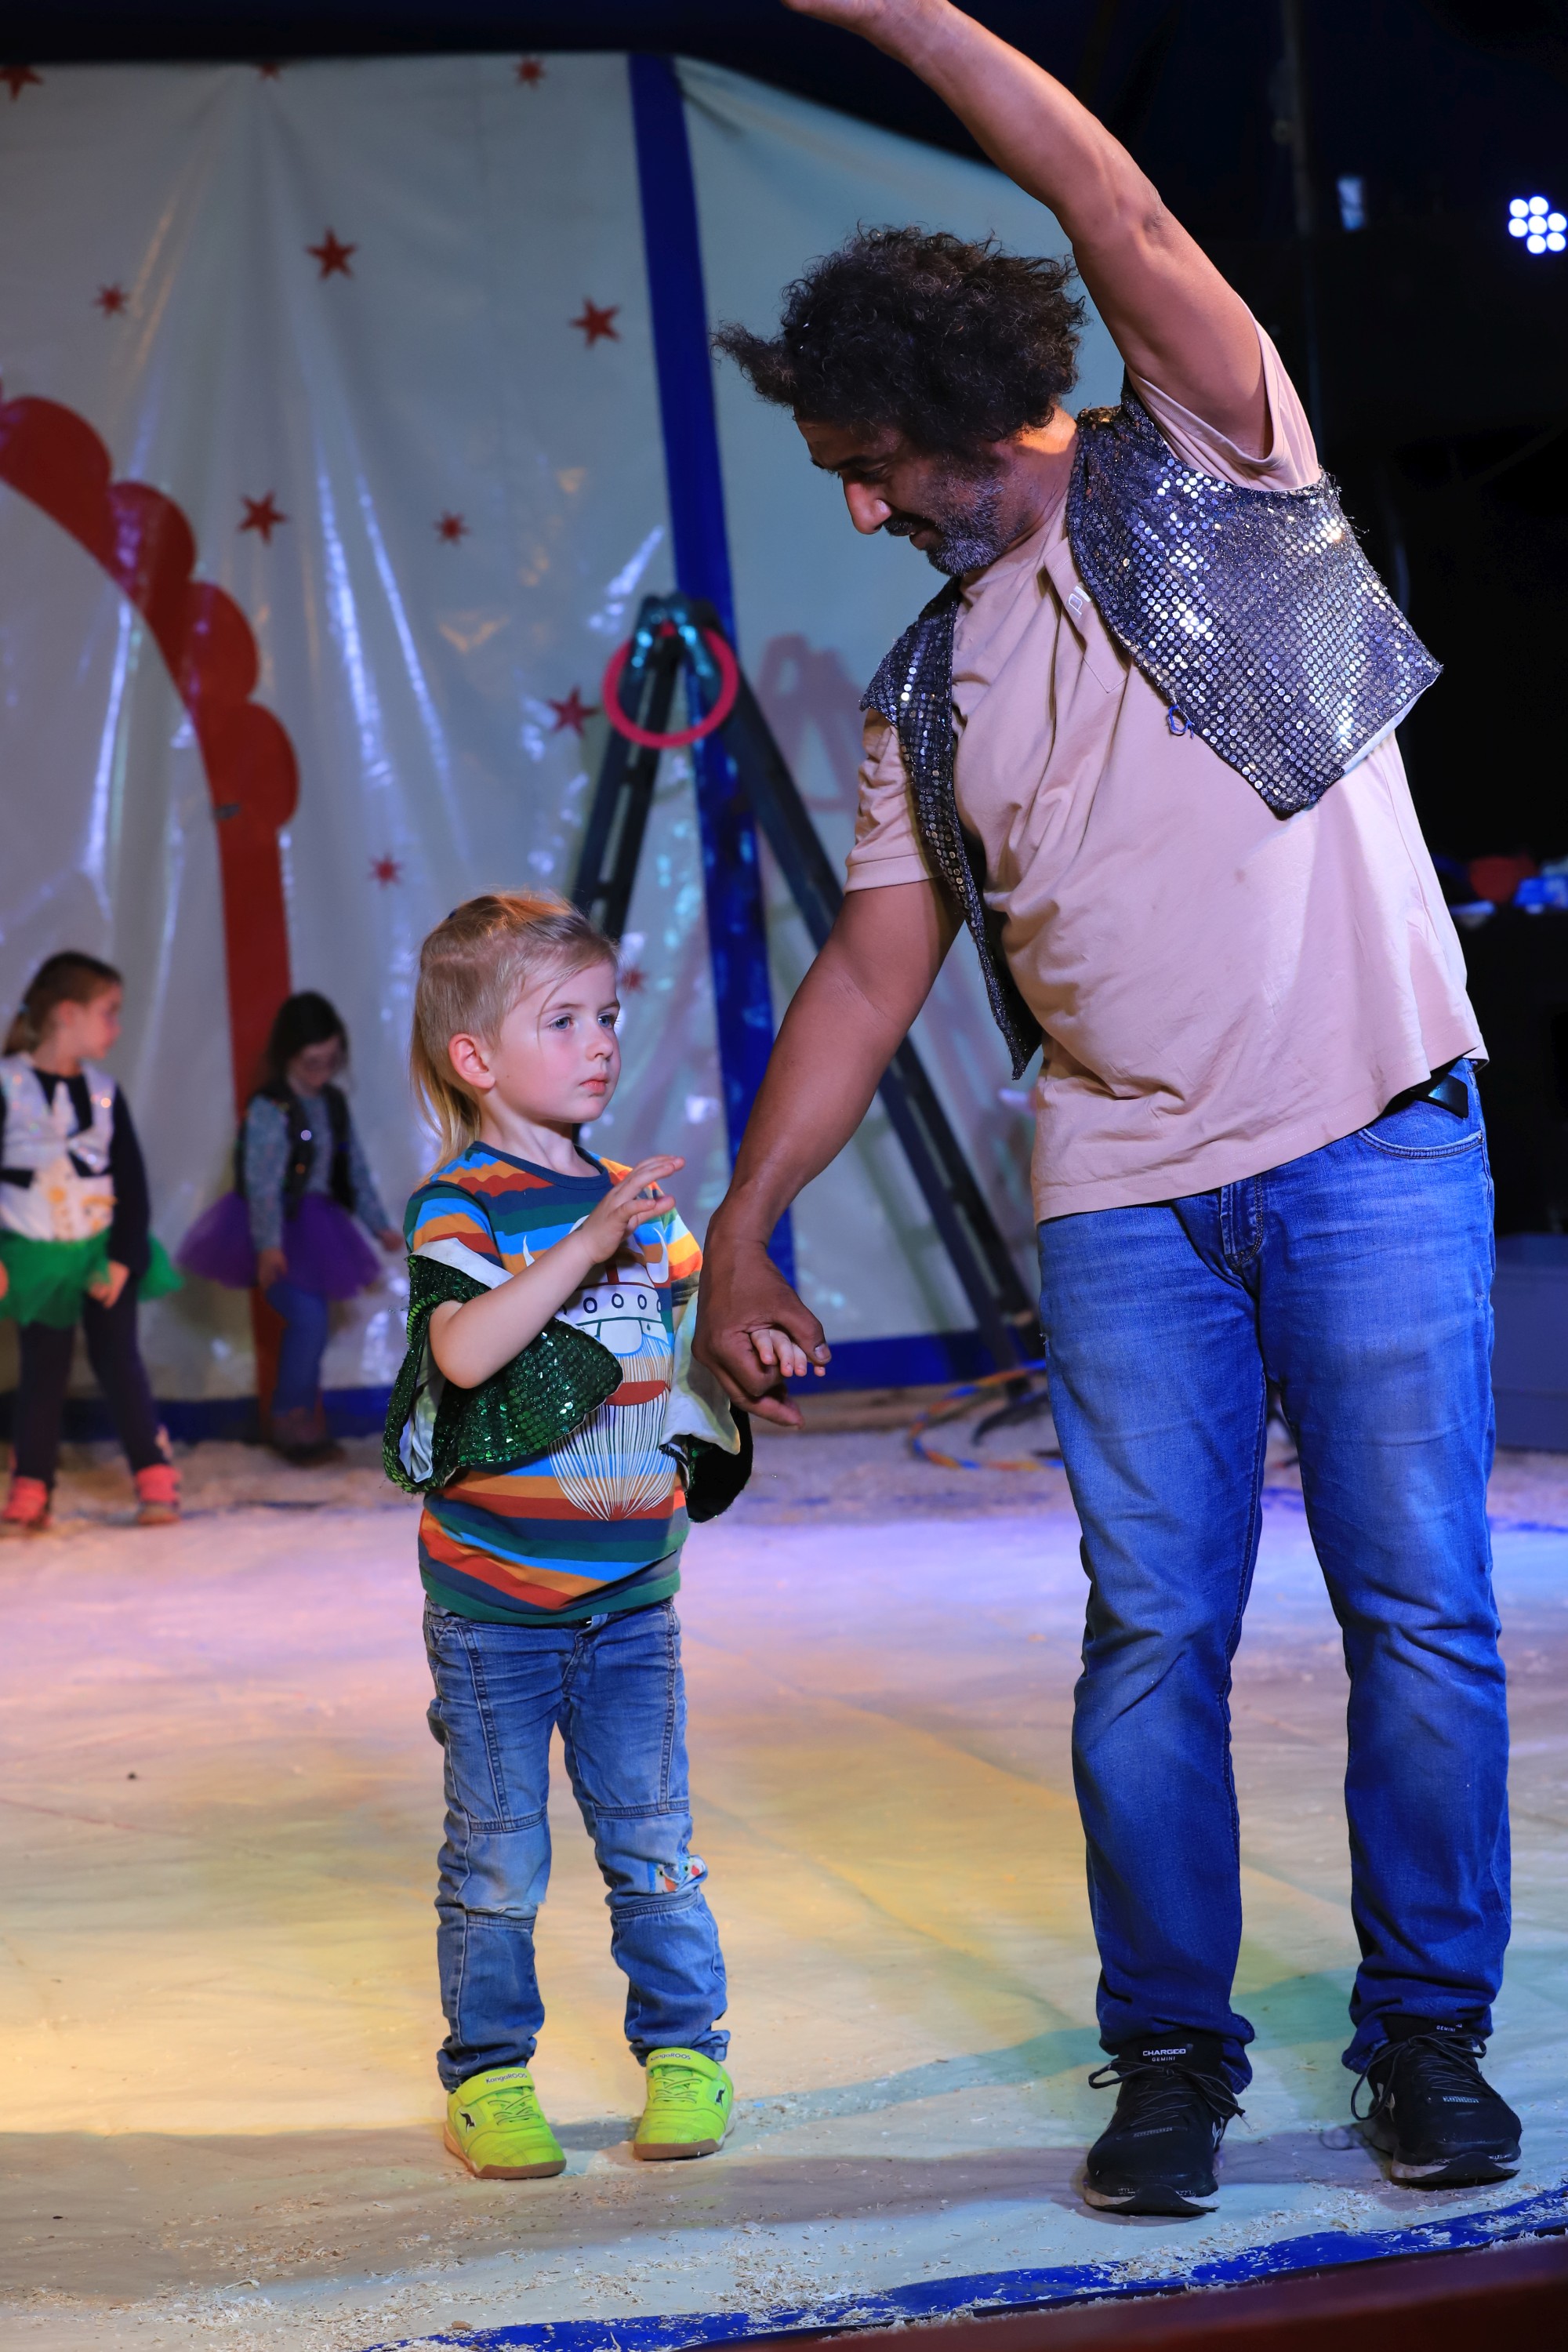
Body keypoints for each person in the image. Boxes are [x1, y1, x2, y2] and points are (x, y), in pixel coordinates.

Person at [696, 0, 1519, 2214]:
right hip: (1125, 1194)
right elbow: (871, 969)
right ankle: (1169, 2053)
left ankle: (1425, 2036)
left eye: (873, 458)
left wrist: (905, 17)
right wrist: (747, 1222)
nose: (858, 502)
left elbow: (1113, 209)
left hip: (1368, 1141)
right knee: (1151, 1635)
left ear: (972, 416)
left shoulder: (1218, 472)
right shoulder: (925, 681)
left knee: (1417, 1608)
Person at [391, 891, 775, 2180]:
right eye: (561, 1020)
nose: (600, 1040)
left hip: (630, 1605)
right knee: (497, 1861)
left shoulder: (641, 1204)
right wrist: (588, 1244)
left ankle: (686, 2053)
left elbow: (684, 1350)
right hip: (493, 1612)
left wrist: (748, 1364)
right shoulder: (461, 1204)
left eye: (607, 1014)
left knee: (652, 1846)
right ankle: (490, 2074)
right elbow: (465, 1350)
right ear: (475, 1058)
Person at [0, 952, 182, 1533]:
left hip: (102, 1253)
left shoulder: (105, 1093)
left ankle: (154, 1475)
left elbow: (131, 1184)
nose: (116, 1027)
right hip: (36, 1257)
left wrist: (123, 1259)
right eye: (109, 1012)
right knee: (43, 1368)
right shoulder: (8, 1083)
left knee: (118, 1360)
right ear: (67, 1013)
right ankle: (31, 1485)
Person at [179, 991, 400, 1465]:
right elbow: (261, 1183)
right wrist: (267, 1245)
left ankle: (302, 1419)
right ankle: (288, 1420)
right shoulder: (271, 1107)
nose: (321, 1072)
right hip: (274, 1227)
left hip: (319, 1227)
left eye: (330, 1061)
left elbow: (354, 1170)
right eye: (310, 1063)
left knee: (313, 1326)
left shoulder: (333, 1103)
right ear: (287, 1056)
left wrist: (379, 1225)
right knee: (308, 1320)